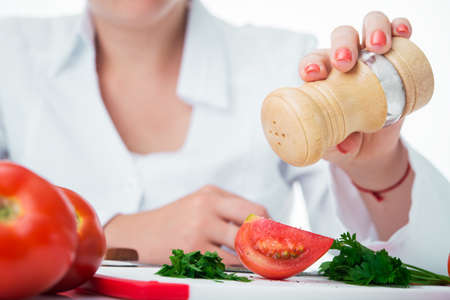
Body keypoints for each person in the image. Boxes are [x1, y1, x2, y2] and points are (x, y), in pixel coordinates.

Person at [0, 0, 448, 274]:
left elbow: (415, 267)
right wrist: (110, 237)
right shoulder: (9, 53)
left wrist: (378, 169)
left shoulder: (289, 64)